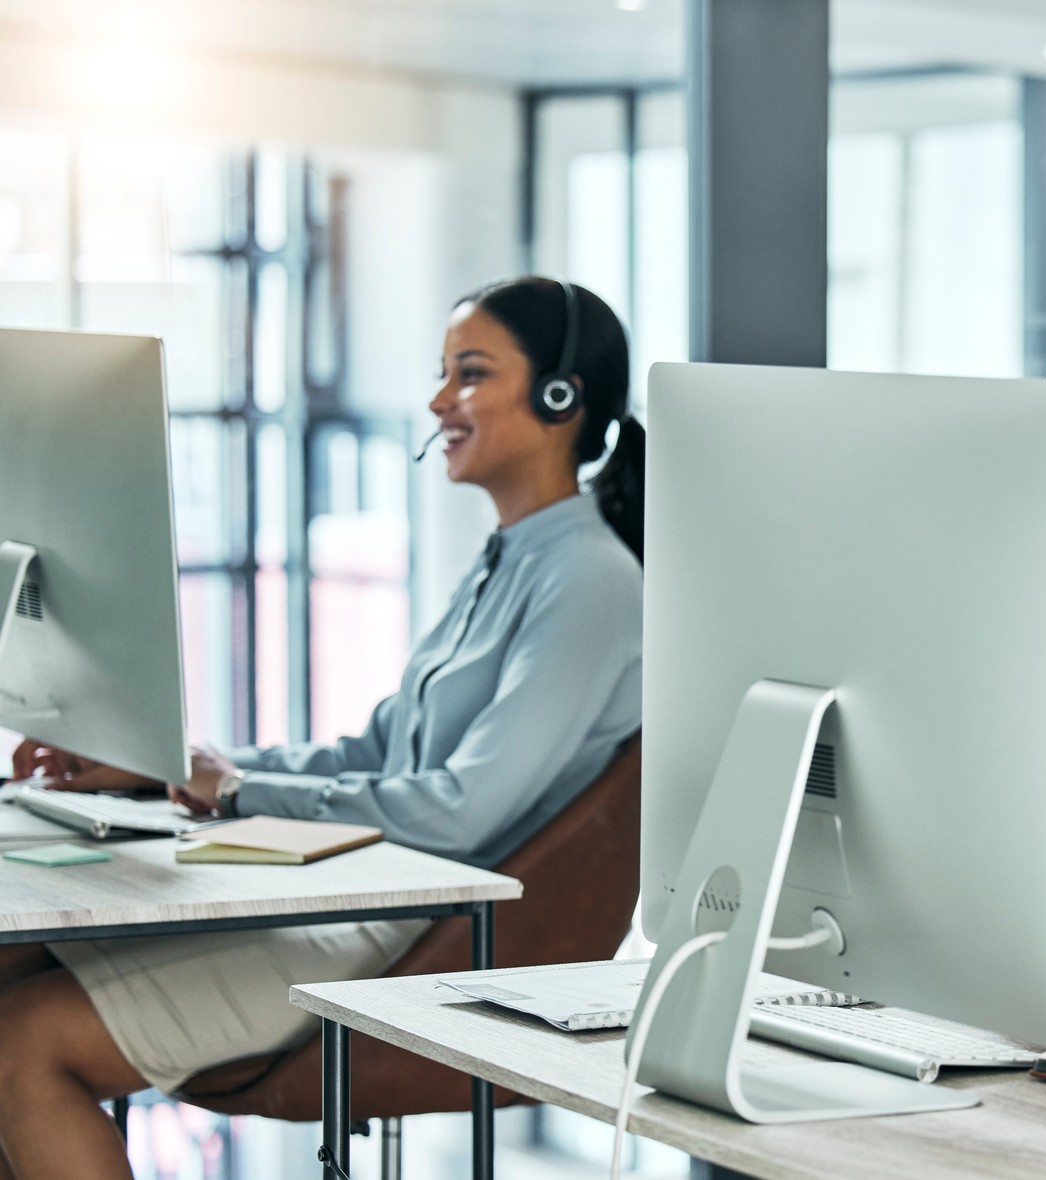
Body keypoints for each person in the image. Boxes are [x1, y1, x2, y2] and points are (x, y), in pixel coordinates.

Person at [0, 276, 646, 1180]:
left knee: (27, 1044)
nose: (436, 400)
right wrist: (175, 766)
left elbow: (461, 812)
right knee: (14, 966)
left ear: (560, 397)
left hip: (421, 934)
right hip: (380, 895)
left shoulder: (588, 581)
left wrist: (233, 790)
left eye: (468, 374)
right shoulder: (512, 559)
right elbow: (374, 753)